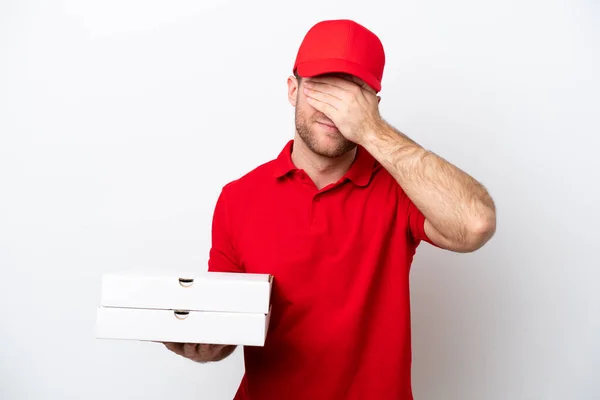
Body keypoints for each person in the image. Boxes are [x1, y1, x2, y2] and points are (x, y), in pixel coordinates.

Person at [164, 19, 496, 400]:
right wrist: (206, 345)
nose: (333, 109)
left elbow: (475, 224)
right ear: (293, 89)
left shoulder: (401, 188)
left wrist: (372, 131)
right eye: (321, 89)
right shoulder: (237, 198)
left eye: (351, 95)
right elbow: (226, 324)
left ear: (372, 106)